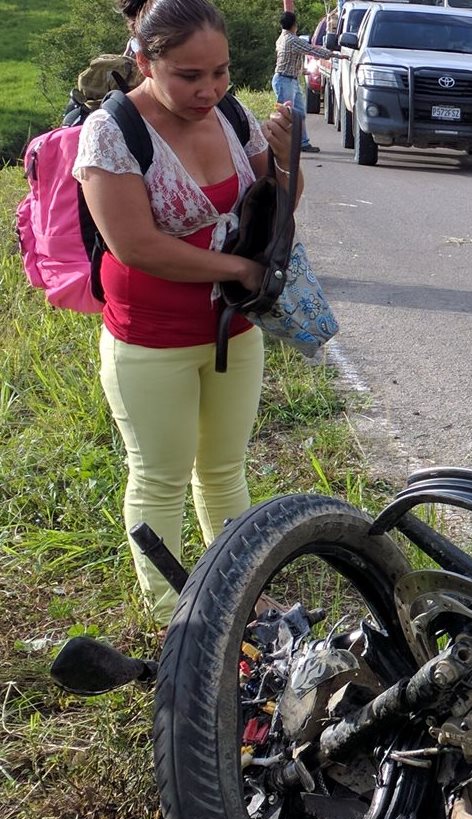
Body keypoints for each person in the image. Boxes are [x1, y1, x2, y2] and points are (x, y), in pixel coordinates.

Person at [73, 0, 297, 628]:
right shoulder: (112, 133)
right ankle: (178, 617)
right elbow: (136, 246)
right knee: (159, 475)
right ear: (144, 61)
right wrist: (239, 272)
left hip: (231, 327)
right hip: (149, 335)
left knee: (225, 468)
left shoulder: (231, 114)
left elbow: (275, 211)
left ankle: (239, 599)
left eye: (221, 72)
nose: (210, 90)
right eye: (190, 77)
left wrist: (284, 160)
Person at [273, 9, 339, 153]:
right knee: (286, 115)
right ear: (294, 25)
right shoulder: (292, 40)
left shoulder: (282, 38)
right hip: (285, 81)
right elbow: (312, 50)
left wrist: (301, 71)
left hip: (290, 80)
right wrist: (335, 55)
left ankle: (302, 143)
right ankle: (280, 145)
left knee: (299, 114)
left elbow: (286, 59)